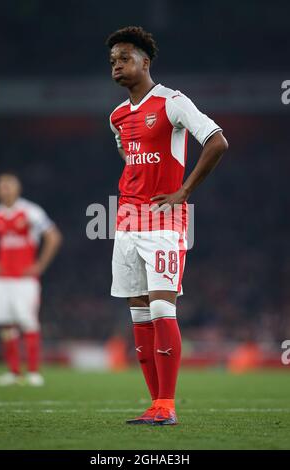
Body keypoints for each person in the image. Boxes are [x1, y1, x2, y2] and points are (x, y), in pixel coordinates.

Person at [106, 26, 228, 425]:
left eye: (124, 58)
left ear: (145, 61)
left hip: (163, 222)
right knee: (138, 315)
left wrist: (185, 191)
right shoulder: (117, 117)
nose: (117, 66)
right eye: (112, 62)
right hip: (125, 223)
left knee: (161, 308)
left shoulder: (173, 102)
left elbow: (216, 141)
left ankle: (168, 404)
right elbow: (131, 160)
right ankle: (155, 405)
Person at [0, 173, 62, 386]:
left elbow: (54, 236)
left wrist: (40, 265)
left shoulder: (31, 211)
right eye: (1, 186)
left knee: (28, 322)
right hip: (3, 279)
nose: (5, 190)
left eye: (8, 186)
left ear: (17, 189)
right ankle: (14, 372)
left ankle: (33, 372)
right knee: (5, 325)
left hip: (25, 279)